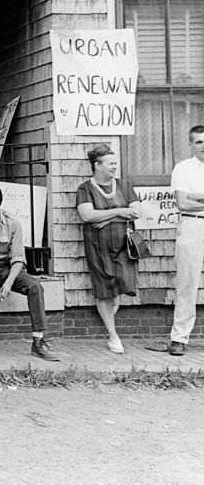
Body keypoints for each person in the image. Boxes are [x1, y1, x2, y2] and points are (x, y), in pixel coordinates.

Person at [0, 183, 58, 362]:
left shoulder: (12, 222)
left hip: (6, 267)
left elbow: (18, 258)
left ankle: (39, 341)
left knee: (35, 287)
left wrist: (8, 283)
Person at [75, 144, 142, 355]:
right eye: (111, 163)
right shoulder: (85, 189)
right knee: (105, 289)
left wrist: (109, 215)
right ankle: (113, 335)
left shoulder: (124, 185)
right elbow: (87, 216)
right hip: (98, 246)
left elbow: (136, 211)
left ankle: (110, 321)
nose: (115, 167)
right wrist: (120, 212)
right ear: (97, 165)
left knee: (122, 284)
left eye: (115, 163)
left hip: (123, 245)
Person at [154, 126, 204, 357]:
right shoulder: (183, 169)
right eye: (199, 142)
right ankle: (179, 338)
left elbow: (190, 198)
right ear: (191, 144)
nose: (203, 146)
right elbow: (182, 203)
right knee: (187, 282)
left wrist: (196, 196)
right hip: (193, 224)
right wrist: (193, 199)